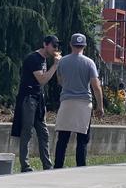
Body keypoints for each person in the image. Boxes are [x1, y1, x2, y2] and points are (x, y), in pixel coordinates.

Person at [53, 33, 103, 168]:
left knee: (62, 138)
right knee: (82, 139)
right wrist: (100, 106)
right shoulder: (89, 62)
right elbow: (96, 86)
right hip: (84, 103)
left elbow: (60, 81)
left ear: (70, 45)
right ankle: (80, 167)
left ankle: (57, 167)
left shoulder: (62, 61)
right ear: (84, 46)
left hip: (67, 101)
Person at [12, 35, 61, 172]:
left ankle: (47, 165)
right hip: (28, 98)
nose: (56, 49)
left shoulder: (44, 60)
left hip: (38, 99)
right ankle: (25, 165)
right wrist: (56, 65)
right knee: (27, 131)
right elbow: (42, 80)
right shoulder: (33, 58)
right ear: (45, 44)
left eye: (57, 46)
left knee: (44, 132)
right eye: (54, 45)